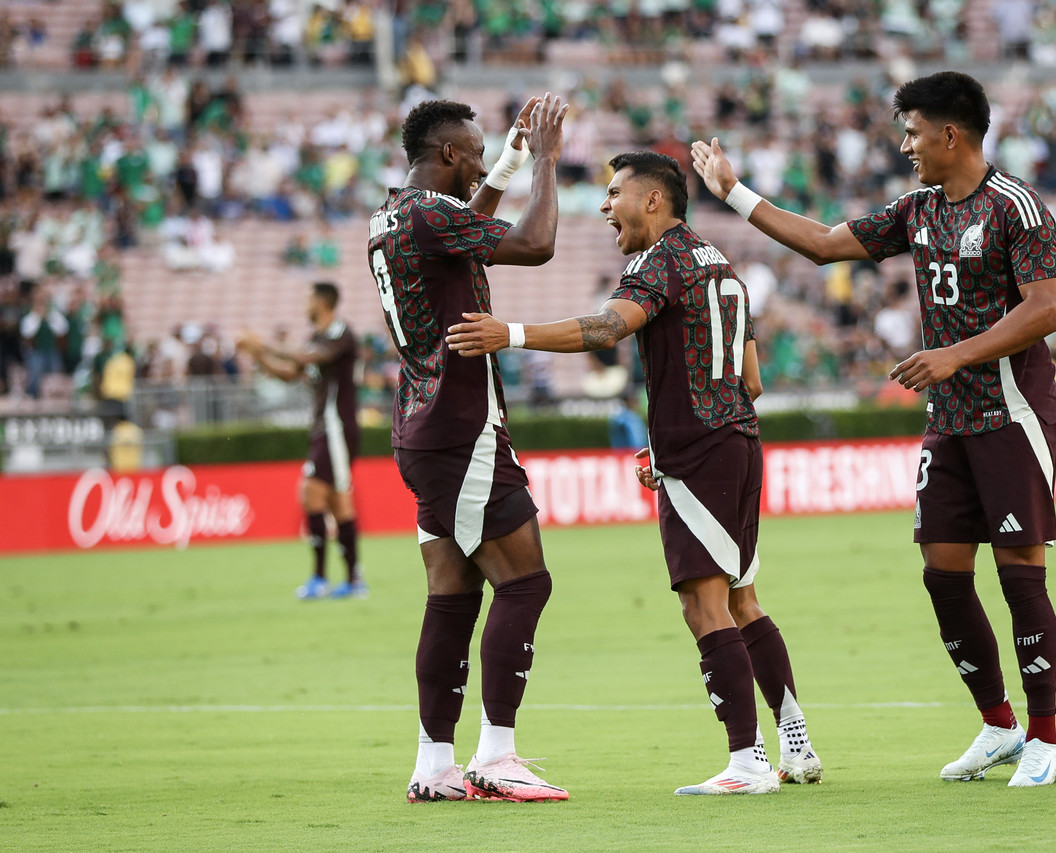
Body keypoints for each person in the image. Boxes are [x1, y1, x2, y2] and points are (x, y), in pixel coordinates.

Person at [690, 70, 1056, 787]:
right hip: (950, 420)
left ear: (950, 133)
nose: (905, 146)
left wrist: (953, 353)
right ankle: (998, 724)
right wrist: (734, 192)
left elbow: (1046, 308)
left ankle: (1046, 735)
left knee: (1021, 573)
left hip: (1011, 415)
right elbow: (826, 244)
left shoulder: (1018, 206)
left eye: (913, 132)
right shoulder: (916, 209)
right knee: (943, 572)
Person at [445, 151, 823, 796]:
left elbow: (605, 329)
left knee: (703, 605)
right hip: (737, 443)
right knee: (741, 599)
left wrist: (508, 333)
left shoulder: (660, 262)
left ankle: (747, 762)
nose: (604, 206)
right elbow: (752, 380)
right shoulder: (721, 266)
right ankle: (796, 741)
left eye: (615, 192)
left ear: (653, 200)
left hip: (702, 452)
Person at [367, 95, 571, 803]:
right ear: (448, 154)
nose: (483, 164)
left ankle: (433, 764)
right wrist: (544, 158)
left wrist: (510, 159)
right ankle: (498, 753)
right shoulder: (429, 212)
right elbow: (535, 244)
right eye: (477, 153)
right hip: (463, 427)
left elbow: (469, 223)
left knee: (452, 596)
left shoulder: (392, 215)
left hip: (420, 427)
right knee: (525, 581)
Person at [237, 281, 365, 601]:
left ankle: (321, 579)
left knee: (310, 493)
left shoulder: (340, 332)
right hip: (325, 428)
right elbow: (290, 374)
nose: (304, 304)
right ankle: (353, 579)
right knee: (337, 501)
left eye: (308, 298)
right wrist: (257, 354)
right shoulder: (316, 339)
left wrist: (263, 343)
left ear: (322, 302)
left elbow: (307, 359)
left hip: (337, 426)